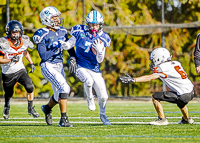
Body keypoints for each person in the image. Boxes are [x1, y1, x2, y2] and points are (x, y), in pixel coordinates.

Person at [59, 10, 111, 125]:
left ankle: (103, 115)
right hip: (80, 65)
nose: (94, 27)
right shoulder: (79, 31)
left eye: (96, 24)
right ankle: (90, 98)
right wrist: (66, 45)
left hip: (94, 68)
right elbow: (71, 43)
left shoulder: (103, 37)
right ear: (87, 24)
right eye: (92, 24)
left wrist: (100, 51)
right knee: (88, 81)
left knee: (104, 96)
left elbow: (99, 60)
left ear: (100, 25)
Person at [120, 47, 194, 125]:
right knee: (181, 102)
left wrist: (134, 79)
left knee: (155, 96)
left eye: (154, 60)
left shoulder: (162, 67)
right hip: (191, 91)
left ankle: (162, 119)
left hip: (183, 95)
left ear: (159, 58)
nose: (153, 62)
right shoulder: (176, 63)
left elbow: (150, 77)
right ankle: (187, 119)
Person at [33, 6, 75, 127]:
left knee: (58, 95)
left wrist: (72, 57)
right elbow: (43, 56)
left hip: (59, 65)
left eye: (57, 17)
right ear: (47, 19)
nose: (57, 20)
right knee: (64, 88)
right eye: (54, 17)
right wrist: (56, 47)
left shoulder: (62, 31)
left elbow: (69, 46)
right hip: (48, 65)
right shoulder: (42, 34)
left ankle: (46, 109)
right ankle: (63, 119)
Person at [0, 20, 39, 120]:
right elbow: (0, 60)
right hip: (8, 72)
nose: (16, 35)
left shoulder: (24, 40)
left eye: (17, 32)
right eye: (13, 32)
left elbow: (25, 52)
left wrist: (31, 63)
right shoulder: (3, 43)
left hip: (20, 69)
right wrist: (10, 59)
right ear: (9, 32)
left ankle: (30, 108)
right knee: (9, 94)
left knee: (30, 86)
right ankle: (7, 106)